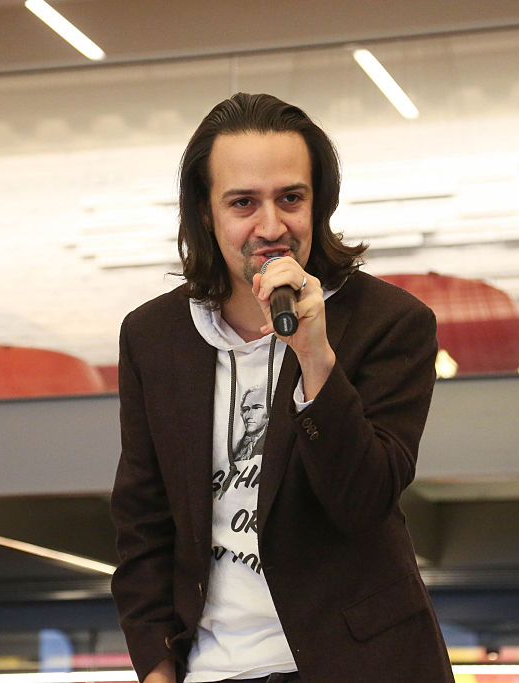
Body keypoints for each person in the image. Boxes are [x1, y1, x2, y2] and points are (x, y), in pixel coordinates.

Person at [110, 93, 454, 683]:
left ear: (319, 204)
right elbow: (143, 520)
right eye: (243, 202)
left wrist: (316, 357)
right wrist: (158, 668)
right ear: (204, 212)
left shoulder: (390, 323)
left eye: (290, 198)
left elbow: (363, 499)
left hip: (357, 664)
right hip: (213, 668)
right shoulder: (154, 337)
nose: (271, 227)